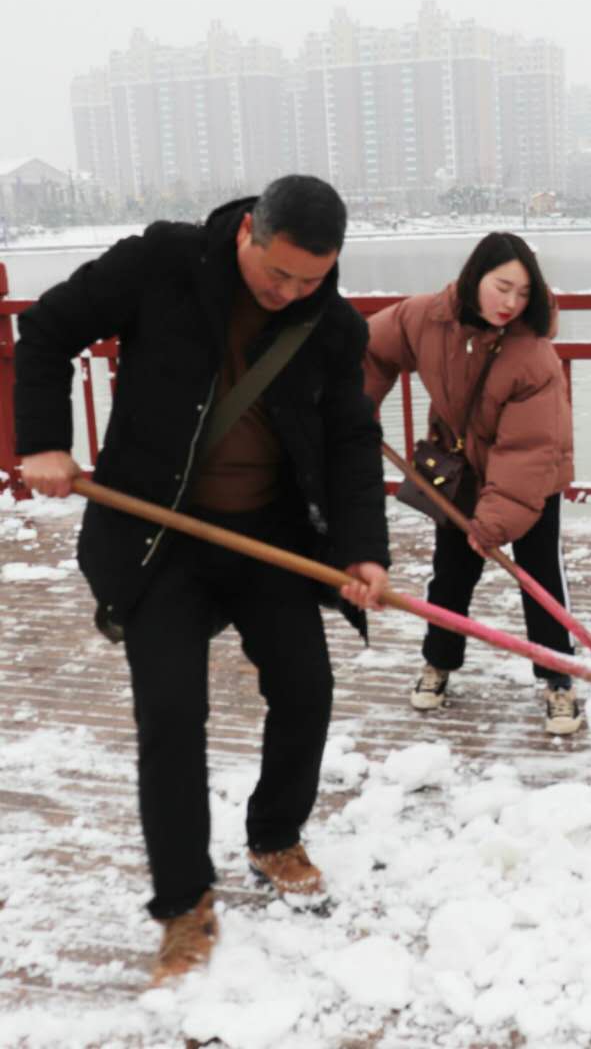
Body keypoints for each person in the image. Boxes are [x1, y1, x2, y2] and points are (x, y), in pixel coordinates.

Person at [13, 175, 390, 984]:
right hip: (160, 538)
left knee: (306, 687)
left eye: (310, 280)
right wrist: (43, 440)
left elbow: (352, 441)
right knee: (172, 715)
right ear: (249, 230)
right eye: (278, 273)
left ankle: (274, 837)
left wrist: (364, 551)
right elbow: (45, 330)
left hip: (268, 539)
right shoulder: (162, 264)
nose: (289, 293)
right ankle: (183, 904)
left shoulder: (331, 326)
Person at [363, 232, 579, 732]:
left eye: (523, 293)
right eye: (502, 287)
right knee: (450, 574)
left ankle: (559, 680)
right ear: (474, 277)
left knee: (540, 577)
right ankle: (438, 663)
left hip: (531, 483)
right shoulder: (425, 319)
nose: (511, 303)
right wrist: (359, 407)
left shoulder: (533, 356)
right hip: (459, 474)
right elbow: (369, 349)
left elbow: (526, 451)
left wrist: (493, 521)